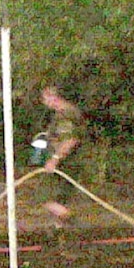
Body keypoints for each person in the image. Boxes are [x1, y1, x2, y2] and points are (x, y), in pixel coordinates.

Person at [40, 85, 86, 228]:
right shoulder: (68, 112)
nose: (44, 102)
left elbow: (70, 139)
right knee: (60, 200)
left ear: (53, 96)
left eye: (45, 98)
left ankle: (75, 223)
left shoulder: (65, 114)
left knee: (44, 197)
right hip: (71, 162)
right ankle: (60, 231)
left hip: (67, 164)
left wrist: (55, 159)